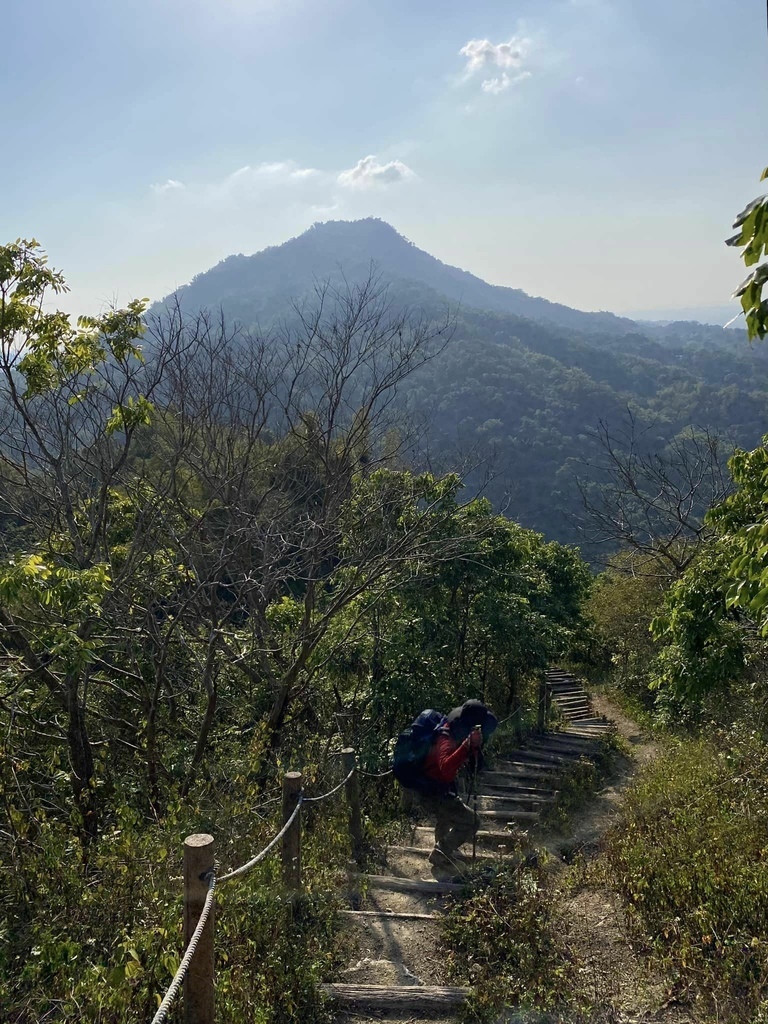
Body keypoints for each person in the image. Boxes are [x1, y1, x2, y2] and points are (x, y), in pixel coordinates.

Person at [419, 699, 498, 868]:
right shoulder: (445, 738)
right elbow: (445, 767)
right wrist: (466, 745)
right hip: (431, 791)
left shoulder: (456, 728)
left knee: (446, 815)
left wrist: (473, 748)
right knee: (473, 821)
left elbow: (476, 765)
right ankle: (441, 851)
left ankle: (443, 853)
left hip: (437, 788)